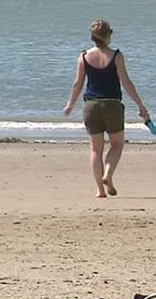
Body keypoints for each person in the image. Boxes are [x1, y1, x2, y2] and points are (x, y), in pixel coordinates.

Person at [63, 19, 149, 198]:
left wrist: (71, 104)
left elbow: (78, 83)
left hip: (91, 106)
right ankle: (108, 174)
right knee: (117, 145)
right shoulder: (116, 55)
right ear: (108, 35)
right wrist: (140, 105)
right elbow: (126, 82)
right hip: (112, 105)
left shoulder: (84, 56)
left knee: (95, 149)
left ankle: (100, 190)